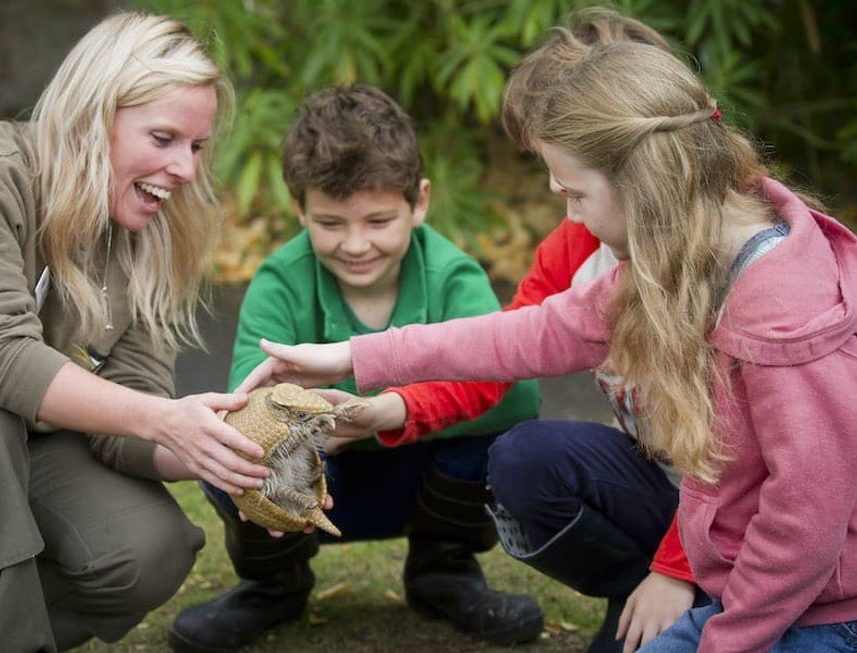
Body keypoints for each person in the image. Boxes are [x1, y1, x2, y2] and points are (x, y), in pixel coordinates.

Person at [240, 33, 857, 653]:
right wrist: (356, 357)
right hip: (739, 576)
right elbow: (530, 333)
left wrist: (725, 636)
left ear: (645, 183)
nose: (573, 220)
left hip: (820, 611)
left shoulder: (784, 316)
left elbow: (806, 520)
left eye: (576, 195)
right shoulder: (673, 259)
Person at [267, 11, 703, 653]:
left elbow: (752, 456)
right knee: (526, 461)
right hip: (666, 487)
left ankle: (695, 592)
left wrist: (681, 567)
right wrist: (389, 405)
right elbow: (498, 349)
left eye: (567, 172)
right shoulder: (578, 246)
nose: (556, 190)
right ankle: (633, 587)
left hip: (746, 512)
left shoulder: (731, 263)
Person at [0, 11, 271, 652]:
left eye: (196, 147)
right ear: (94, 113)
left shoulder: (144, 229)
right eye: (164, 137)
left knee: (148, 549)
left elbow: (133, 399)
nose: (187, 170)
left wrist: (227, 452)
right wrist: (159, 418)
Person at [168, 84, 545, 653]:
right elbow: (246, 404)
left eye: (377, 220)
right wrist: (311, 430)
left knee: (503, 440)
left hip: (425, 479)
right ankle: (274, 586)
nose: (356, 244)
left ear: (418, 202)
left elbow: (518, 395)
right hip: (320, 483)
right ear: (299, 209)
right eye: (330, 223)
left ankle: (443, 572)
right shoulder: (279, 279)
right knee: (227, 454)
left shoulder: (453, 275)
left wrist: (377, 411)